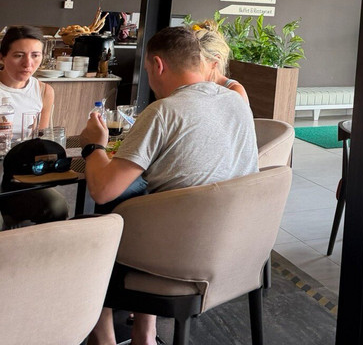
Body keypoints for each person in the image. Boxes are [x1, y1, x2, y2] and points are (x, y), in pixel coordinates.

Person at [83, 26, 259, 345]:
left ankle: (104, 338)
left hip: (178, 255)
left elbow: (102, 188)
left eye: (148, 70)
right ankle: (145, 333)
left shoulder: (163, 111)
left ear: (158, 65)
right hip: (235, 247)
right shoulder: (236, 102)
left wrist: (94, 145)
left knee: (88, 231)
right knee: (139, 201)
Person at [0, 25, 67, 226]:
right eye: (18, 55)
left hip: (20, 174)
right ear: (2, 57)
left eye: (35, 55)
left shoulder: (44, 91)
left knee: (57, 207)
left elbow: (39, 142)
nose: (28, 64)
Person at [191, 18, 249, 103]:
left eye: (196, 63)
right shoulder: (195, 85)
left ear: (215, 61)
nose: (191, 68)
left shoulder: (235, 91)